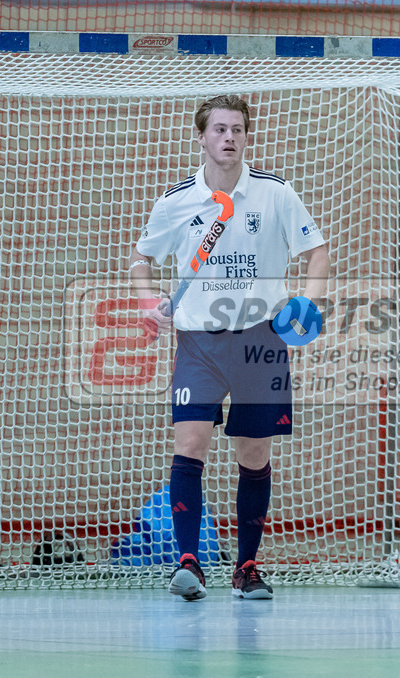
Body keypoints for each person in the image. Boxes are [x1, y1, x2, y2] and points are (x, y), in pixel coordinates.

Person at [129, 94, 330, 601]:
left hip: (261, 340)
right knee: (190, 442)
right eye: (219, 129)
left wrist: (307, 302)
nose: (229, 137)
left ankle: (247, 566)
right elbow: (141, 258)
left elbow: (316, 250)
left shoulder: (275, 193)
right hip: (199, 342)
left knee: (253, 452)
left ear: (246, 136)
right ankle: (189, 563)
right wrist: (149, 302)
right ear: (201, 137)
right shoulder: (176, 202)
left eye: (237, 129)